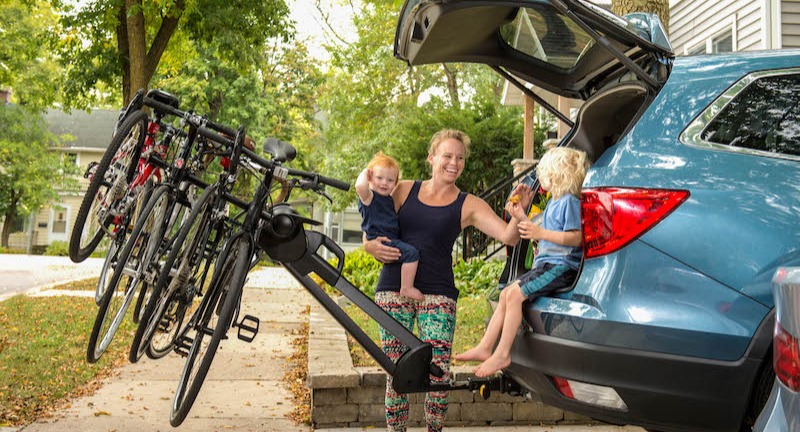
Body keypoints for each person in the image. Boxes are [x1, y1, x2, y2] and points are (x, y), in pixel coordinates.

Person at [363, 129, 533, 432]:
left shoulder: (469, 204)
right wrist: (368, 245)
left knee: (439, 371)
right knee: (397, 371)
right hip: (393, 290)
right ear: (432, 158)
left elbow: (507, 236)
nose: (454, 163)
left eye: (460, 158)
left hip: (439, 294)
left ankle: (434, 428)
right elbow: (373, 224)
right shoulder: (402, 190)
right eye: (447, 156)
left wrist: (518, 213)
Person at [455, 146, 590, 378]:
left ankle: (502, 353)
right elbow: (538, 232)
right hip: (547, 265)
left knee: (515, 295)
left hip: (561, 266)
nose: (540, 179)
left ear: (556, 175)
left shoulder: (568, 202)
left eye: (544, 173)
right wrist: (521, 217)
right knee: (507, 292)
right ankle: (486, 346)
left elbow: (576, 238)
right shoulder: (554, 204)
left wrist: (541, 234)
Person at [356, 152, 424, 301]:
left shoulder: (387, 199)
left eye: (390, 180)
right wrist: (365, 172)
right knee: (412, 254)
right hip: (383, 240)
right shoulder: (370, 198)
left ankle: (406, 285)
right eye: (379, 178)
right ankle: (406, 287)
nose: (384, 183)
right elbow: (359, 186)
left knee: (408, 253)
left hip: (390, 238)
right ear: (370, 177)